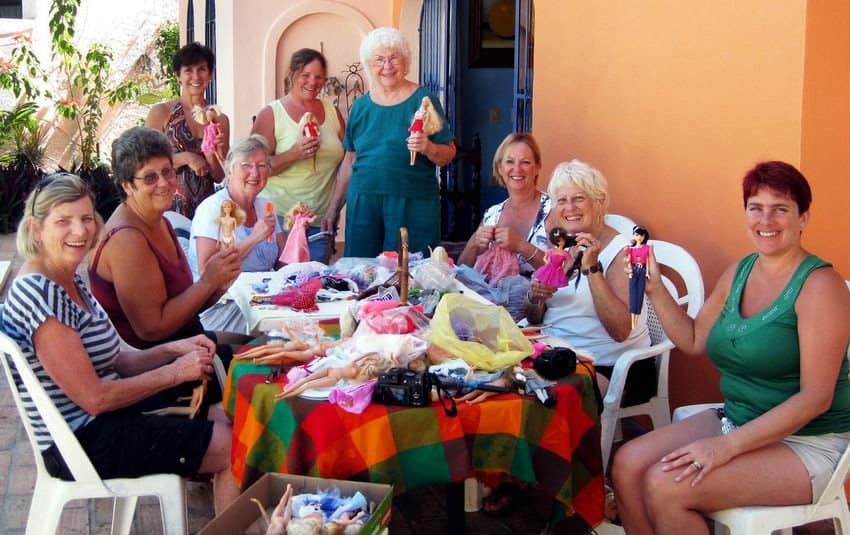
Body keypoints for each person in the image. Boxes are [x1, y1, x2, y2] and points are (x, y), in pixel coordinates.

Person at [612, 161, 850, 535]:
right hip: (739, 418)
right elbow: (692, 340)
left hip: (808, 443)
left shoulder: (821, 287)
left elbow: (816, 398)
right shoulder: (740, 271)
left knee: (667, 486)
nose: (766, 219)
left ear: (803, 218)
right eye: (756, 207)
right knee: (627, 464)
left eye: (780, 209)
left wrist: (725, 447)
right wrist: (656, 288)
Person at [0, 173, 239, 514]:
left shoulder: (67, 277)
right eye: (63, 221)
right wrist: (174, 373)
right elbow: (96, 398)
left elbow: (117, 363)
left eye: (85, 218)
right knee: (233, 445)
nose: (80, 231)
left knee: (221, 412)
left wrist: (174, 350)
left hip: (102, 421)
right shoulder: (38, 291)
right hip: (82, 442)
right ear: (36, 230)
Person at [89, 126, 243, 352]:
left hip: (190, 339)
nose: (164, 183)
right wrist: (208, 281)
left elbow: (186, 305)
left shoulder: (160, 220)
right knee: (274, 365)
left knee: (269, 344)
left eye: (168, 171)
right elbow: (152, 329)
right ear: (127, 186)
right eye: (150, 177)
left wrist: (220, 282)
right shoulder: (127, 240)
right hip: (165, 365)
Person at [322, 27, 456, 257]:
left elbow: (449, 153)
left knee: (411, 275)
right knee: (362, 272)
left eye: (394, 58)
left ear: (405, 61)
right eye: (379, 59)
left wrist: (428, 147)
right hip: (364, 202)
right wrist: (334, 208)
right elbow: (350, 161)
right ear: (368, 64)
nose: (387, 66)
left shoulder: (423, 101)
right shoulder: (361, 107)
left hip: (412, 201)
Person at [251, 48, 345, 264]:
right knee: (279, 286)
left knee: (314, 285)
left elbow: (348, 159)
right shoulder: (271, 113)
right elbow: (256, 168)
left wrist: (336, 207)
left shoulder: (332, 112)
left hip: (319, 220)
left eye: (319, 76)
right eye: (305, 75)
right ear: (292, 75)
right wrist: (294, 153)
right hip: (280, 219)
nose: (313, 82)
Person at [188, 135, 285, 332]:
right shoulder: (215, 208)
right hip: (222, 308)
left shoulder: (265, 206)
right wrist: (254, 237)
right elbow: (208, 269)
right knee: (288, 335)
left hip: (262, 302)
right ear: (229, 170)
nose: (255, 173)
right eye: (246, 165)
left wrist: (299, 231)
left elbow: (283, 261)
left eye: (262, 165)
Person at [146, 42, 229, 218]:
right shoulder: (162, 113)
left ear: (210, 75)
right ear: (178, 75)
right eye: (188, 70)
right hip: (167, 206)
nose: (196, 76)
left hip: (204, 209)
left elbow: (219, 176)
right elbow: (145, 163)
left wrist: (211, 155)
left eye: (202, 69)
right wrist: (186, 158)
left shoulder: (219, 119)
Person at [457, 132, 550, 277]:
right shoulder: (493, 214)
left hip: (543, 299)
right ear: (499, 168)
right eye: (509, 162)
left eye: (525, 162)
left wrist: (521, 245)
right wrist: (474, 243)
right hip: (494, 299)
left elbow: (564, 272)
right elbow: (460, 270)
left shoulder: (553, 209)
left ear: (537, 167)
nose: (517, 169)